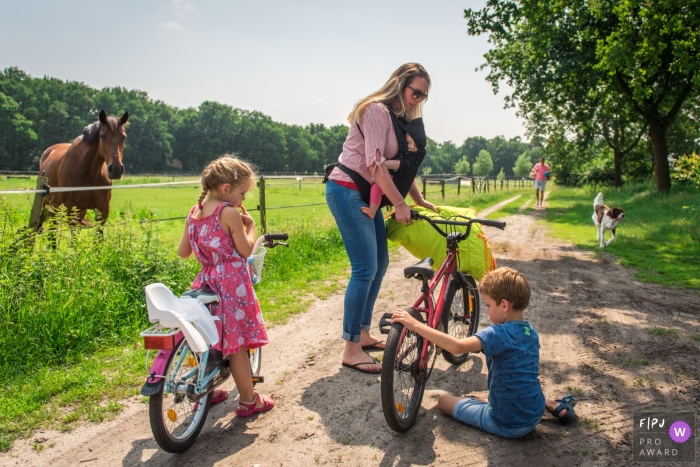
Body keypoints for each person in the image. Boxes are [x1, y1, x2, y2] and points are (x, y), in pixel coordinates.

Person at [325, 63, 438, 374]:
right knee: (365, 268)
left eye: (423, 96)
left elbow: (402, 168)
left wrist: (419, 199)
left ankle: (361, 333)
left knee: (381, 263)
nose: (417, 99)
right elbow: (375, 165)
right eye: (415, 91)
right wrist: (400, 204)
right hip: (347, 189)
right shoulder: (376, 111)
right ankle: (350, 348)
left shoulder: (401, 122)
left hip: (367, 194)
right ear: (399, 85)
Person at [391, 267, 577, 438]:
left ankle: (514, 406)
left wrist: (414, 324)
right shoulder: (531, 332)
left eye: (488, 305)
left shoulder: (497, 334)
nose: (486, 311)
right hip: (534, 414)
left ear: (504, 305)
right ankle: (550, 403)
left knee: (444, 401)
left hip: (508, 424)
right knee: (519, 380)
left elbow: (457, 347)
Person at [177, 154, 274, 417]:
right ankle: (248, 399)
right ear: (226, 189)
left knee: (212, 338)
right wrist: (251, 228)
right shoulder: (228, 213)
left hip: (206, 283)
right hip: (231, 285)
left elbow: (183, 252)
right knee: (237, 343)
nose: (243, 200)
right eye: (242, 193)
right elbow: (244, 252)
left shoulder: (194, 214)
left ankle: (207, 387)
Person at [362, 130, 423, 219]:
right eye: (408, 143)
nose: (412, 147)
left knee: (376, 187)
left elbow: (381, 165)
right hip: (387, 178)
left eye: (416, 144)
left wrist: (377, 161)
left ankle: (373, 210)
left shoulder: (401, 161)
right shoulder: (404, 157)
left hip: (391, 181)